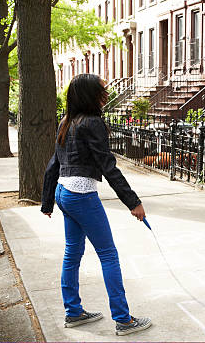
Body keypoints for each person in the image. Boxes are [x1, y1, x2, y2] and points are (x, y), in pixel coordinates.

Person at [41, 74, 152, 336]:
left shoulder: (67, 121)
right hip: (80, 195)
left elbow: (53, 165)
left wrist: (48, 201)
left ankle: (74, 312)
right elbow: (108, 166)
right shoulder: (92, 123)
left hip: (64, 193)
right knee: (108, 254)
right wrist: (133, 202)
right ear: (91, 94)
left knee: (72, 253)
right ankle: (124, 320)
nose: (107, 93)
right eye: (103, 89)